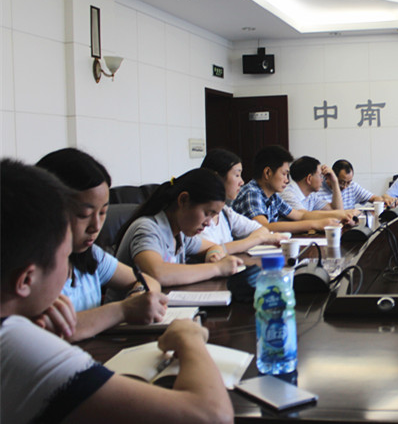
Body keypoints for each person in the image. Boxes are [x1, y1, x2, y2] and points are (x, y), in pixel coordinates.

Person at [0, 159, 233, 424]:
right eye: (64, 256)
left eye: (103, 212)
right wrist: (189, 338)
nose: (94, 227)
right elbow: (211, 415)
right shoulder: (16, 344)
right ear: (26, 280)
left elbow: (144, 280)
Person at [34, 148, 167, 341]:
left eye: (103, 212)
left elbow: (149, 281)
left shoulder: (92, 255)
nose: (96, 226)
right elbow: (52, 331)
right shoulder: (29, 271)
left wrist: (138, 295)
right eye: (84, 215)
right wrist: (124, 310)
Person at [116, 168, 243, 286]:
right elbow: (157, 273)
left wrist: (213, 255)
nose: (208, 223)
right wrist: (217, 268)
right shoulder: (147, 229)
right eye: (207, 213)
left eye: (213, 216)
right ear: (183, 200)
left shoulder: (180, 234)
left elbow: (213, 246)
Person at [232, 145, 351, 233]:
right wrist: (315, 224)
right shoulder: (252, 193)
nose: (287, 180)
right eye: (284, 174)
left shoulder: (273, 196)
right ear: (268, 173)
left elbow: (300, 216)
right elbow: (263, 227)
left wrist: (342, 214)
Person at [198, 148, 286, 255]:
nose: (242, 182)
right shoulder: (197, 217)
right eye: (237, 175)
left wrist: (257, 238)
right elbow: (213, 250)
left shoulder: (225, 212)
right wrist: (258, 239)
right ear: (217, 177)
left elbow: (262, 229)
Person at [280, 156, 359, 219]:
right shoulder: (288, 194)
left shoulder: (311, 196)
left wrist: (334, 181)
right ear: (309, 178)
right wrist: (344, 213)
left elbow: (336, 209)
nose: (322, 180)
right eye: (320, 175)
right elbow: (303, 216)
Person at [315, 159, 384, 209]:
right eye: (341, 182)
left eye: (348, 182)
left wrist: (382, 201)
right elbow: (337, 211)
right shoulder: (318, 189)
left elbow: (374, 198)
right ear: (333, 177)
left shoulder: (352, 186)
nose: (345, 187)